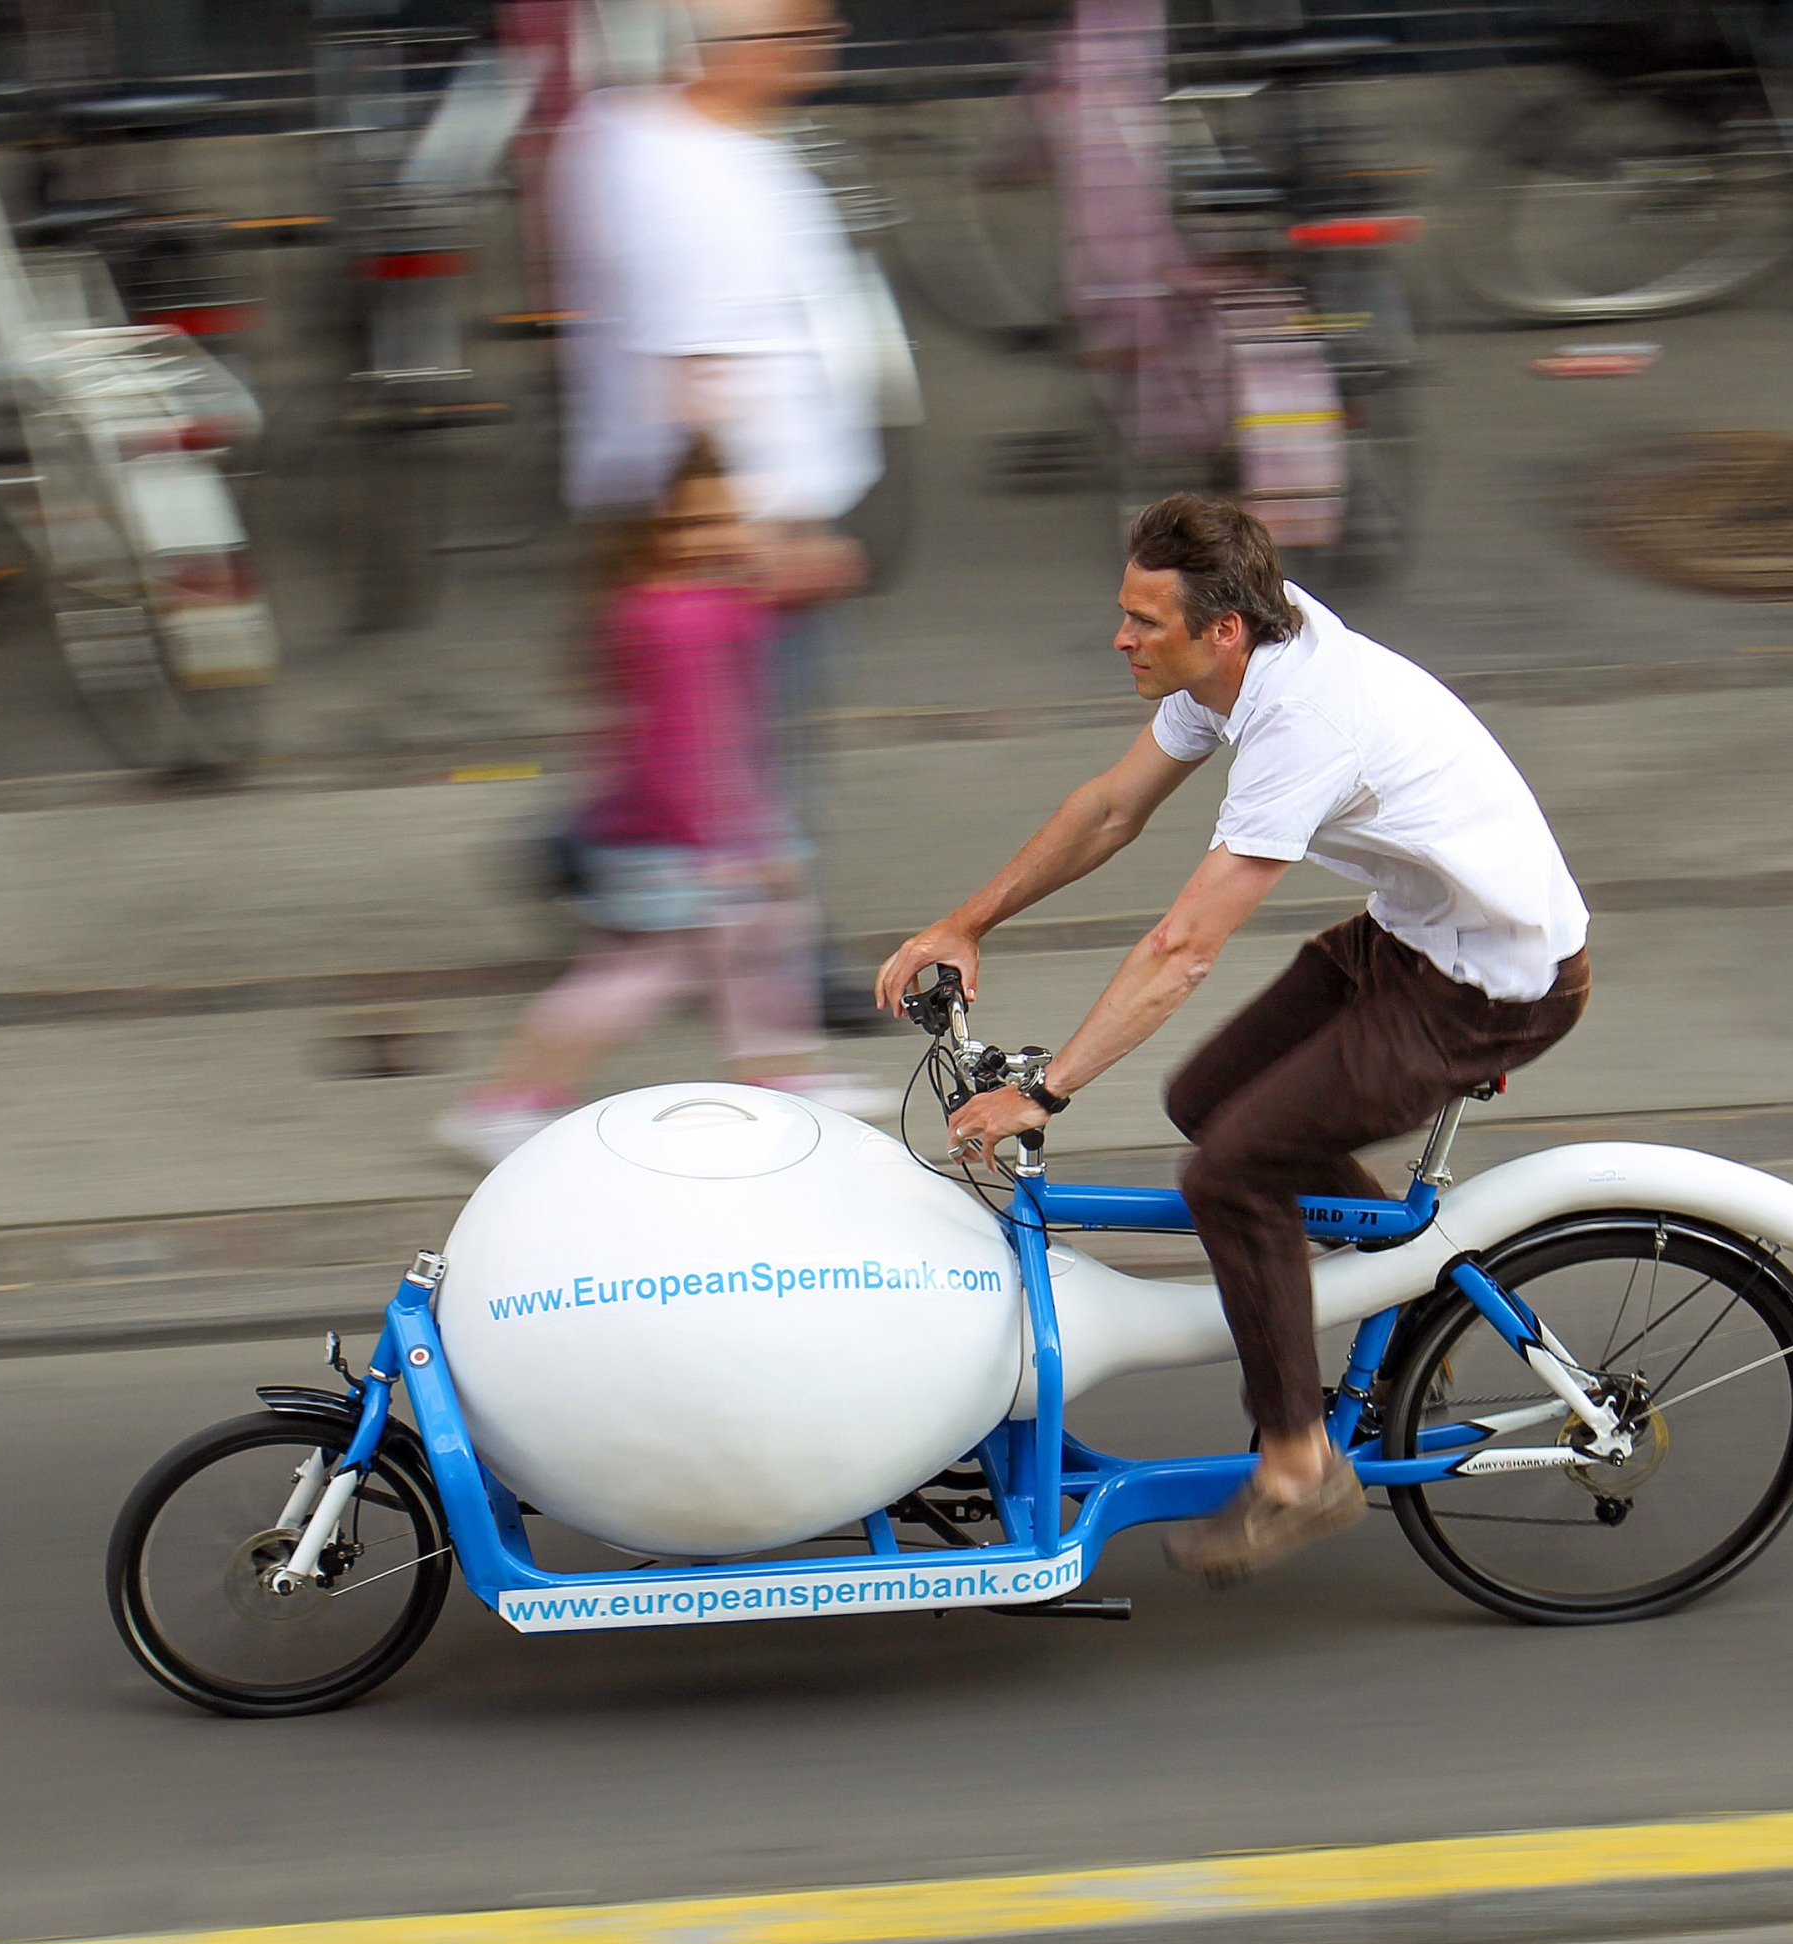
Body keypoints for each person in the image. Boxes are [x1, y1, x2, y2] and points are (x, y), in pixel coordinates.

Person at [874, 497, 1592, 1586]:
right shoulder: (1235, 657)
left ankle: (1304, 1466)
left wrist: (1049, 1091)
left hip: (1492, 985)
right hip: (1408, 940)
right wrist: (966, 921)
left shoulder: (1304, 721)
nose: (1120, 638)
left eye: (1142, 622)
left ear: (1222, 628)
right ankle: (1401, 1307)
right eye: (1124, 612)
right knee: (1208, 1099)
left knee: (1229, 1172)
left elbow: (1183, 947)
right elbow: (1112, 808)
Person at [548, 0, 879, 1016]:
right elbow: (698, 364)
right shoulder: (692, 174)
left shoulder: (665, 141)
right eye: (802, 31)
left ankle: (589, 849)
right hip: (733, 512)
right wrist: (756, 532)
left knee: (709, 734)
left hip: (714, 503)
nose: (826, 47)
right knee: (753, 750)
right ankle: (773, 963)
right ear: (732, 51)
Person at [437, 439, 882, 1167]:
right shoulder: (676, 619)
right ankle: (500, 1106)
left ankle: (787, 1076)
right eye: (693, 526)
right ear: (651, 537)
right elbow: (683, 750)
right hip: (681, 837)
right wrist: (731, 848)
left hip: (699, 828)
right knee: (638, 976)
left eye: (727, 520)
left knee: (761, 949)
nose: (718, 537)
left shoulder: (691, 603)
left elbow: (776, 599)